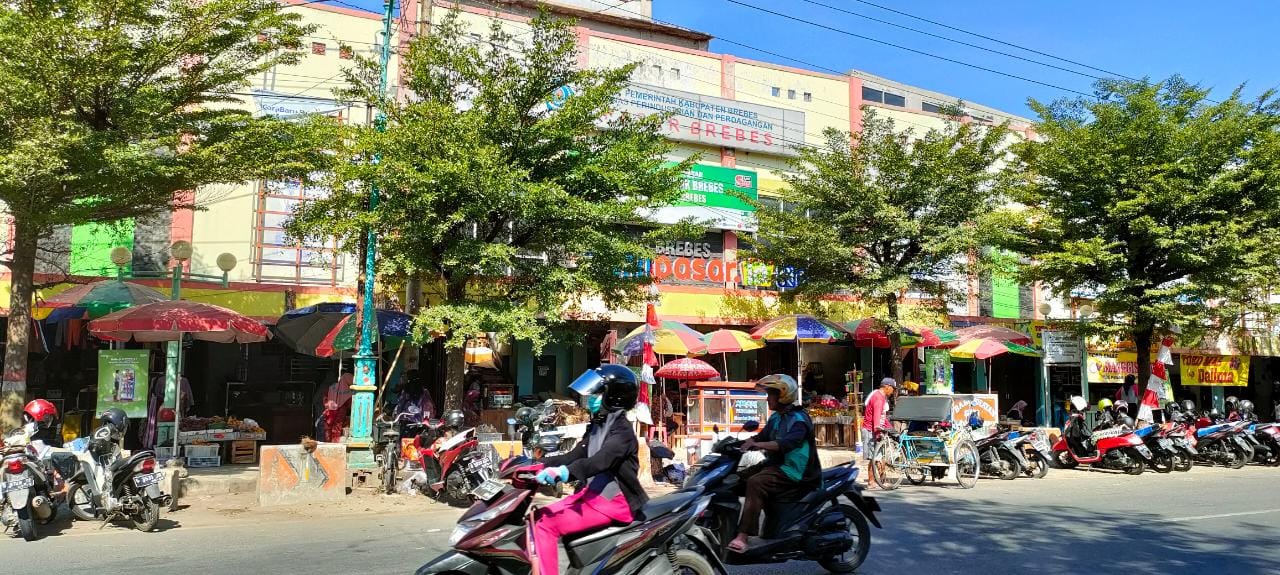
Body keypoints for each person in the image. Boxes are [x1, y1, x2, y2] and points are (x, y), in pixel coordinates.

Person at [530, 364, 646, 575]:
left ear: (614, 397)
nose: (591, 398)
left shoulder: (623, 432)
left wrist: (564, 473)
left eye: (597, 394)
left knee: (546, 526)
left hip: (614, 503)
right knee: (537, 517)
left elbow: (599, 462)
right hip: (592, 496)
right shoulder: (598, 426)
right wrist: (534, 464)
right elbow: (572, 456)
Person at [727, 373, 820, 552]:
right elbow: (761, 436)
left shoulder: (799, 419)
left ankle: (743, 535)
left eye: (770, 394)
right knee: (733, 480)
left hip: (795, 471)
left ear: (783, 395)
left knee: (756, 482)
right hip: (776, 466)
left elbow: (786, 444)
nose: (767, 398)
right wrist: (738, 443)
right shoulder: (776, 417)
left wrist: (757, 444)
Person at [862, 377, 898, 458]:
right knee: (873, 459)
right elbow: (877, 416)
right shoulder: (878, 398)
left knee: (877, 459)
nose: (893, 391)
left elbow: (882, 417)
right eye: (893, 388)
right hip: (870, 431)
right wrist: (878, 431)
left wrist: (891, 428)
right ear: (887, 386)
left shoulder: (882, 397)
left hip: (874, 431)